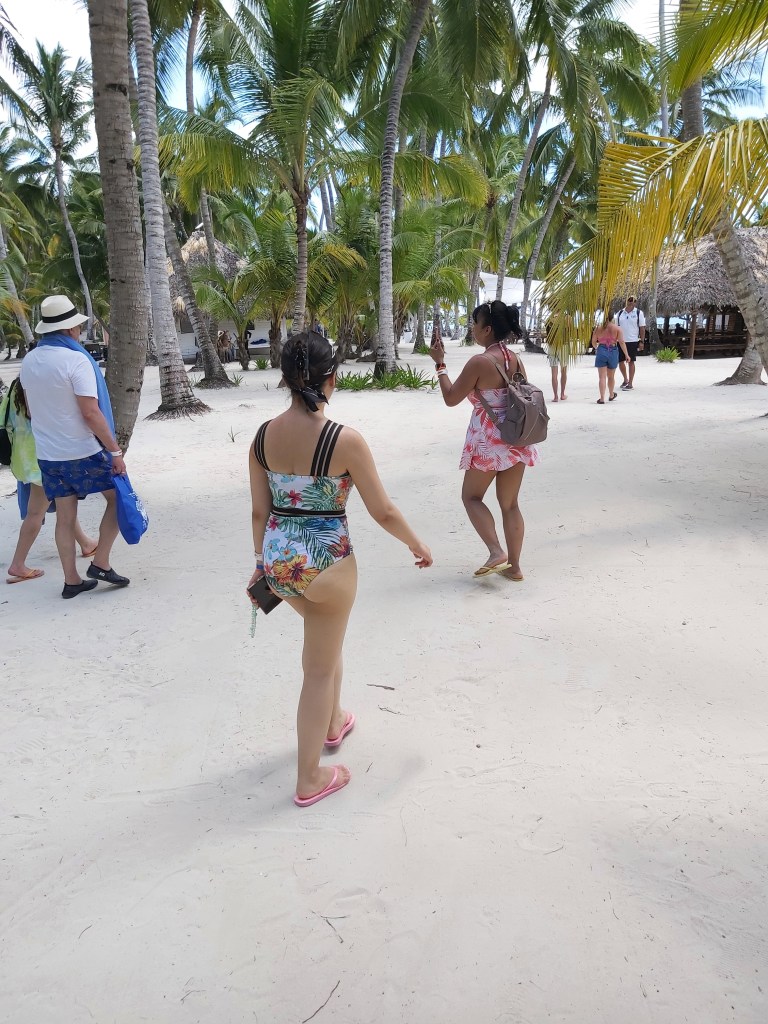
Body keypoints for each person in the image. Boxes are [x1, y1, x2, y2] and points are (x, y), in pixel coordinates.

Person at [247, 330, 432, 808]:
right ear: (331, 378)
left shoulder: (262, 437)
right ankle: (309, 778)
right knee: (317, 669)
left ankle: (334, 722)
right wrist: (416, 543)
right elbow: (383, 511)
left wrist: (261, 564)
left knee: (324, 646)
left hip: (281, 564)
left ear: (286, 378)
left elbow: (259, 511)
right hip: (328, 563)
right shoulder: (344, 440)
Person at [19, 294, 131, 599]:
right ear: (70, 329)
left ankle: (72, 581)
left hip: (48, 454)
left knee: (65, 517)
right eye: (78, 327)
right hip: (82, 451)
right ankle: (101, 563)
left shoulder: (30, 360)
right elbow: (90, 413)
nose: (79, 332)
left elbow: (31, 408)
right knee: (119, 500)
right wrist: (115, 451)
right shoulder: (76, 360)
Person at [429, 300, 538, 582]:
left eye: (475, 324)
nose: (473, 329)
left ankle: (496, 551)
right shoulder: (514, 358)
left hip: (488, 440)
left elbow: (451, 398)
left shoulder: (480, 362)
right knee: (510, 504)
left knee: (471, 497)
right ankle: (514, 567)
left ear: (487, 329)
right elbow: (521, 392)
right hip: (517, 436)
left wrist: (440, 364)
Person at [1, 378, 97, 584]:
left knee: (64, 503)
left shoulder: (16, 385)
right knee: (36, 513)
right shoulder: (38, 385)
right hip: (42, 458)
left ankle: (86, 543)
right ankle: (18, 563)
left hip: (23, 456)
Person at [591, 317, 631, 404]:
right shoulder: (617, 328)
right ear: (612, 318)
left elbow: (593, 341)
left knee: (602, 377)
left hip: (601, 349)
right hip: (613, 350)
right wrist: (626, 355)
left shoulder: (598, 328)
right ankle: (611, 394)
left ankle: (602, 398)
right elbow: (621, 342)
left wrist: (597, 348)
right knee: (611, 376)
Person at [614, 295, 646, 390]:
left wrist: (641, 341)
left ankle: (630, 383)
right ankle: (625, 379)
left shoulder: (639, 313)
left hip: (633, 341)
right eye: (630, 300)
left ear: (636, 302)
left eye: (634, 300)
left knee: (631, 361)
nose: (631, 302)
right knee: (620, 362)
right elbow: (616, 328)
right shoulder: (620, 313)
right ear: (626, 301)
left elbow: (642, 328)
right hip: (620, 341)